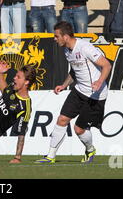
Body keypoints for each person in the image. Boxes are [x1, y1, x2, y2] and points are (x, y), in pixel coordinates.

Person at [36, 21, 112, 164]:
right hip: (78, 91)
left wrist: (99, 81)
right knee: (62, 120)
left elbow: (106, 65)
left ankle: (90, 150)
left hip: (95, 95)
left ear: (65, 37)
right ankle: (50, 156)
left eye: (56, 36)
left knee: (78, 129)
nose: (54, 39)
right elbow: (74, 72)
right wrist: (64, 85)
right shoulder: (66, 50)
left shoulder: (85, 47)